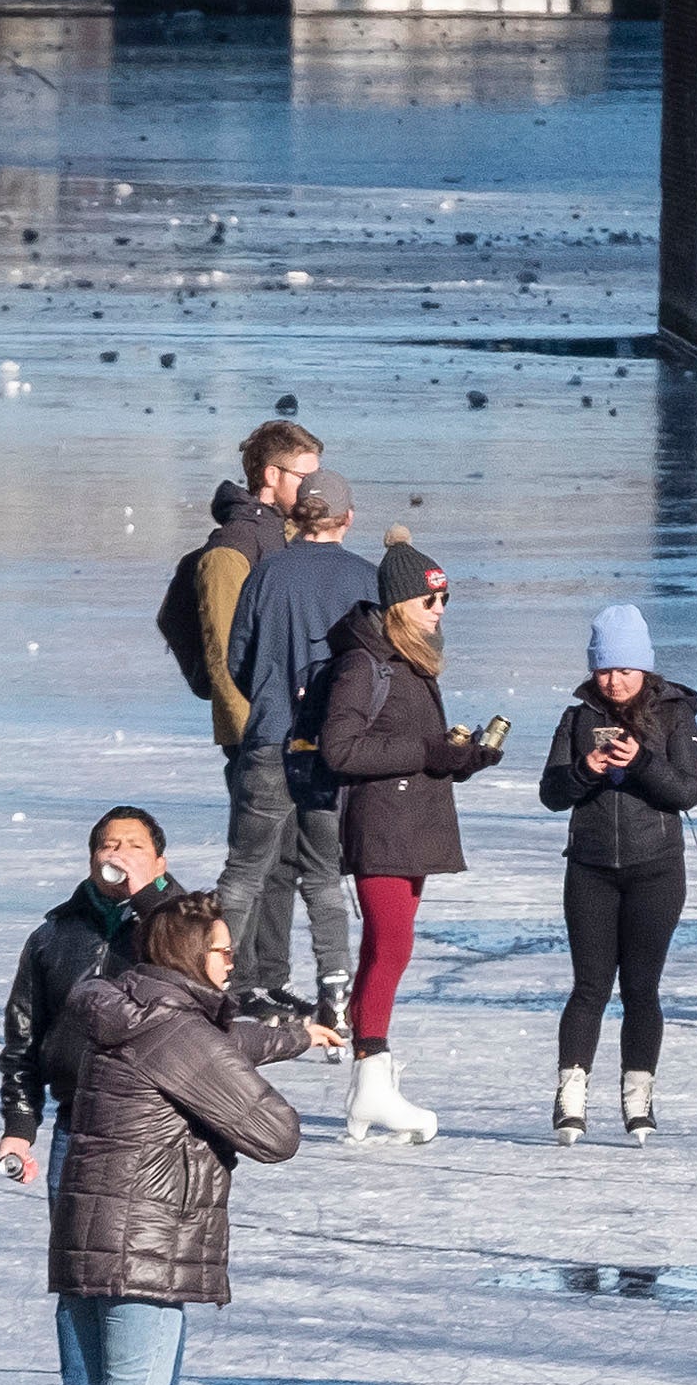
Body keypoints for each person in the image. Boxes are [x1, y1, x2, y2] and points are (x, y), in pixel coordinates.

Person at [38, 896, 314, 1385]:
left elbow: (225, 1044)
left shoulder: (124, 1010)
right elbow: (275, 1131)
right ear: (193, 959)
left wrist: (291, 1036)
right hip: (146, 1249)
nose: (232, 965)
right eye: (223, 954)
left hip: (92, 1240)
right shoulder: (178, 1032)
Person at [0, 803, 190, 1385]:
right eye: (107, 844)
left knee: (152, 1275)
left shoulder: (183, 928)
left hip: (156, 1128)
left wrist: (149, 908)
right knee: (78, 1272)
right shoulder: (55, 935)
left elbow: (208, 1011)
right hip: (77, 1124)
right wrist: (19, 1128)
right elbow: (22, 1040)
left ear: (160, 860)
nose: (118, 852)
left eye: (133, 844)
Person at [310, 536, 498, 1143]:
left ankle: (373, 1083)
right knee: (391, 944)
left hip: (410, 825)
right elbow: (341, 749)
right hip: (381, 828)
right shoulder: (365, 665)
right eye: (430, 600)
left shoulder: (408, 662)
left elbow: (416, 752)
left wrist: (460, 759)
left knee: (387, 948)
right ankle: (371, 1075)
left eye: (444, 599)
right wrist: (426, 751)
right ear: (398, 605)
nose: (440, 610)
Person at [540, 596, 697, 1142]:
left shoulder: (675, 714)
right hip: (589, 868)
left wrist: (642, 763)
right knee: (589, 986)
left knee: (641, 987)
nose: (614, 681)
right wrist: (586, 769)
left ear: (646, 668)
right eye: (605, 669)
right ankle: (571, 1095)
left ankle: (638, 1097)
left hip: (656, 868)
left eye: (625, 670)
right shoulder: (577, 718)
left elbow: (689, 791)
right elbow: (551, 794)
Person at [213, 478, 374, 1030]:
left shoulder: (268, 573)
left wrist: (267, 694)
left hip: (269, 738)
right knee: (324, 875)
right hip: (331, 749)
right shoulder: (364, 579)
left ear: (297, 516)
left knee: (243, 872)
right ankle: (334, 990)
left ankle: (217, 984)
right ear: (347, 517)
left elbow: (238, 657)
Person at [153, 412, 319, 780]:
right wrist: (251, 740)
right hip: (262, 743)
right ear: (271, 475)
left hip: (299, 733)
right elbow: (223, 653)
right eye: (306, 479)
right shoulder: (232, 550)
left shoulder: (288, 537)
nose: (314, 490)